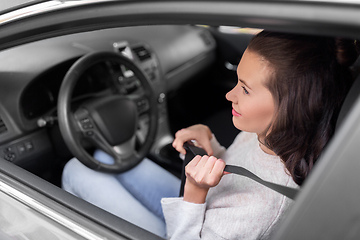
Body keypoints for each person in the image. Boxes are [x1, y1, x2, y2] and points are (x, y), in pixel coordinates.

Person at [62, 30, 357, 239]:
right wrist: (212, 146)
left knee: (77, 170)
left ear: (290, 106)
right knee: (101, 156)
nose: (230, 94)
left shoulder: (261, 208)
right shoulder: (274, 136)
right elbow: (241, 170)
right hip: (205, 205)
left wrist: (194, 191)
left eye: (245, 88)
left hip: (186, 227)